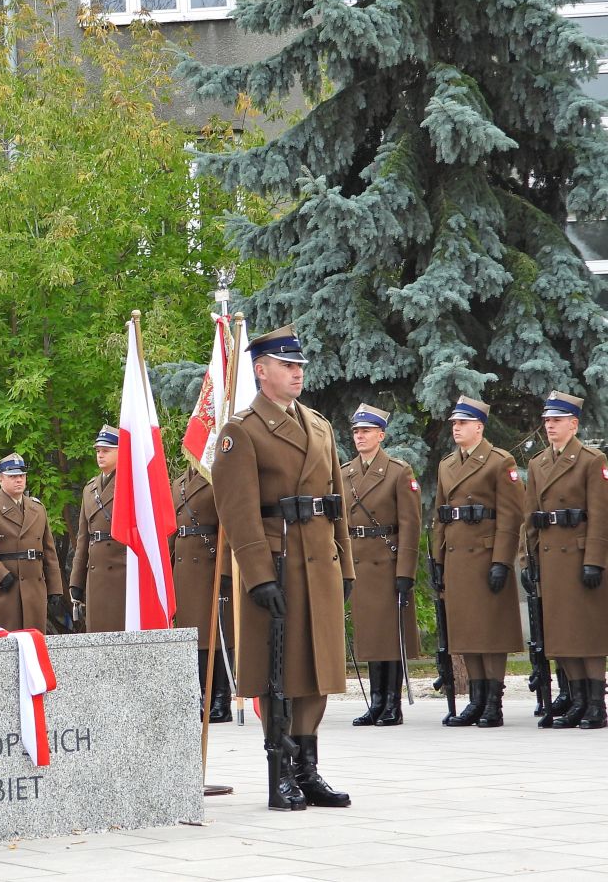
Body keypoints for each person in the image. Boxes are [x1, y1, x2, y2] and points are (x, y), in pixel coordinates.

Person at [212, 324, 353, 811]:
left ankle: (308, 769)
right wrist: (258, 576)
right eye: (287, 366)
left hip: (320, 562)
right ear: (261, 371)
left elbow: (336, 502)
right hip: (279, 562)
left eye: (299, 366)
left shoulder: (319, 425)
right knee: (281, 670)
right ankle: (282, 772)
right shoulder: (242, 431)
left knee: (318, 669)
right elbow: (238, 512)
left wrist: (346, 565)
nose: (297, 373)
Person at [431, 395, 525, 729]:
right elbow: (440, 516)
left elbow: (511, 516)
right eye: (454, 423)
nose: (456, 428)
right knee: (466, 632)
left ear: (479, 427)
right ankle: (476, 699)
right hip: (457, 558)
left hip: (485, 557)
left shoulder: (499, 461)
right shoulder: (446, 465)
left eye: (463, 423)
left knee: (491, 632)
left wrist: (502, 561)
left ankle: (493, 702)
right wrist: (437, 559)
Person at [519, 391, 608, 729]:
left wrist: (595, 560)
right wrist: (527, 560)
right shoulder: (538, 463)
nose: (550, 426)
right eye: (547, 420)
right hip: (550, 558)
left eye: (557, 420)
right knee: (561, 633)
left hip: (580, 556)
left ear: (574, 424)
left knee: (586, 633)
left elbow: (600, 515)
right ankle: (578, 700)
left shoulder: (591, 460)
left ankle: (596, 704)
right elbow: (530, 516)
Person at [341, 404, 421, 727]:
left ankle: (392, 704)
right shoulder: (346, 472)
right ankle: (375, 702)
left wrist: (406, 572)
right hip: (359, 562)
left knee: (389, 636)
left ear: (381, 435)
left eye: (366, 431)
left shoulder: (398, 472)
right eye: (356, 431)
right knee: (370, 636)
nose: (359, 436)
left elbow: (410, 525)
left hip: (387, 562)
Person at [0, 453, 64, 632]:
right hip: (7, 587)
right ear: (0, 479)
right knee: (8, 639)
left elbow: (48, 550)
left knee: (33, 639)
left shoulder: (37, 508)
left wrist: (54, 587)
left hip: (34, 587)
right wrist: (0, 575)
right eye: (12, 476)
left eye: (21, 475)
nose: (19, 480)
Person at [170, 460, 235, 723]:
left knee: (216, 635)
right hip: (184, 568)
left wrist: (226, 570)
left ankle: (220, 699)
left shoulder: (219, 477)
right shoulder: (178, 483)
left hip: (210, 566)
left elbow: (230, 525)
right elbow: (171, 529)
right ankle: (200, 697)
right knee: (193, 637)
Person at [71, 426, 127, 633]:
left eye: (106, 450)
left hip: (123, 570)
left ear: (120, 452)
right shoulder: (90, 488)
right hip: (96, 573)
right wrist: (76, 581)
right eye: (98, 451)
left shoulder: (130, 484)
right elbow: (83, 538)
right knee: (97, 633)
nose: (100, 455)